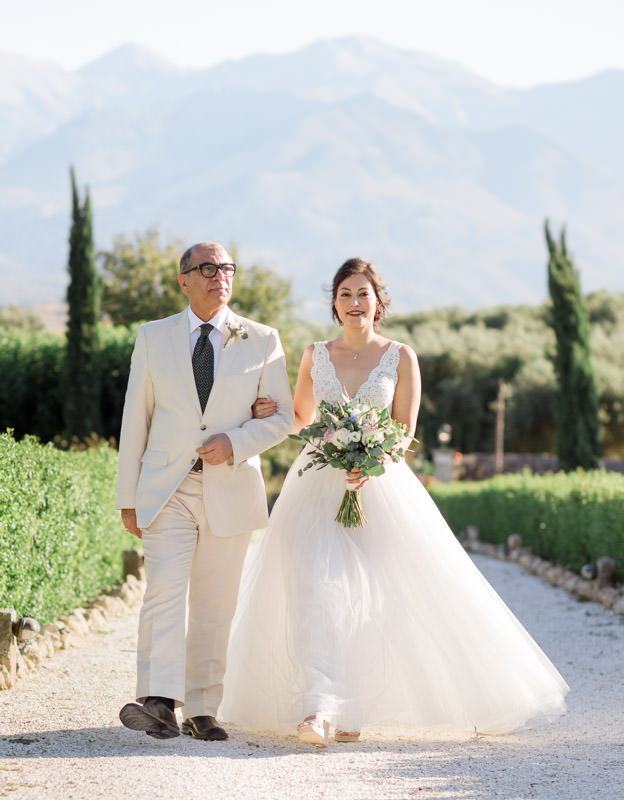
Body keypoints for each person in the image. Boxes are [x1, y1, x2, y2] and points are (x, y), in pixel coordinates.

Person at [221, 258, 569, 746]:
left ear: (378, 302)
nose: (354, 302)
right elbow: (300, 418)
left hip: (379, 485)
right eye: (345, 293)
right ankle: (315, 706)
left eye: (363, 293)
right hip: (316, 483)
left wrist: (369, 461)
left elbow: (404, 431)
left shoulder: (401, 357)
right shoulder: (314, 355)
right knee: (312, 590)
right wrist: (266, 410)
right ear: (334, 303)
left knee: (372, 598)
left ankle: (352, 710)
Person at [115, 241, 294, 742]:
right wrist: (127, 496)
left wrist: (236, 441)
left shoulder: (262, 340)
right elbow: (136, 418)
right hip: (166, 487)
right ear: (184, 280)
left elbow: (284, 416)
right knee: (164, 592)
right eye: (208, 268)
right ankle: (157, 700)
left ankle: (202, 709)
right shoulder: (153, 338)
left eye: (227, 268)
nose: (220, 276)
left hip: (230, 487)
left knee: (215, 605)